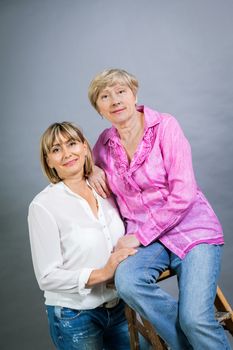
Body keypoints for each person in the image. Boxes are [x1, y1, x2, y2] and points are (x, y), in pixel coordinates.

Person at [88, 68, 231, 349]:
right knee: (127, 281)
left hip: (192, 230)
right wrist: (91, 169)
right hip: (151, 243)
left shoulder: (165, 126)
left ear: (134, 94)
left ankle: (195, 331)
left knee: (194, 319)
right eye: (105, 96)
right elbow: (82, 169)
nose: (115, 100)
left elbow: (184, 194)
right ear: (99, 109)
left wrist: (138, 237)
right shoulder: (104, 144)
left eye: (121, 91)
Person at [28, 121, 138, 350]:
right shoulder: (43, 205)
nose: (67, 153)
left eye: (72, 144)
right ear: (49, 161)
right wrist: (103, 273)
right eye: (56, 149)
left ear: (85, 147)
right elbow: (47, 277)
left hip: (118, 307)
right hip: (74, 316)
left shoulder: (105, 188)